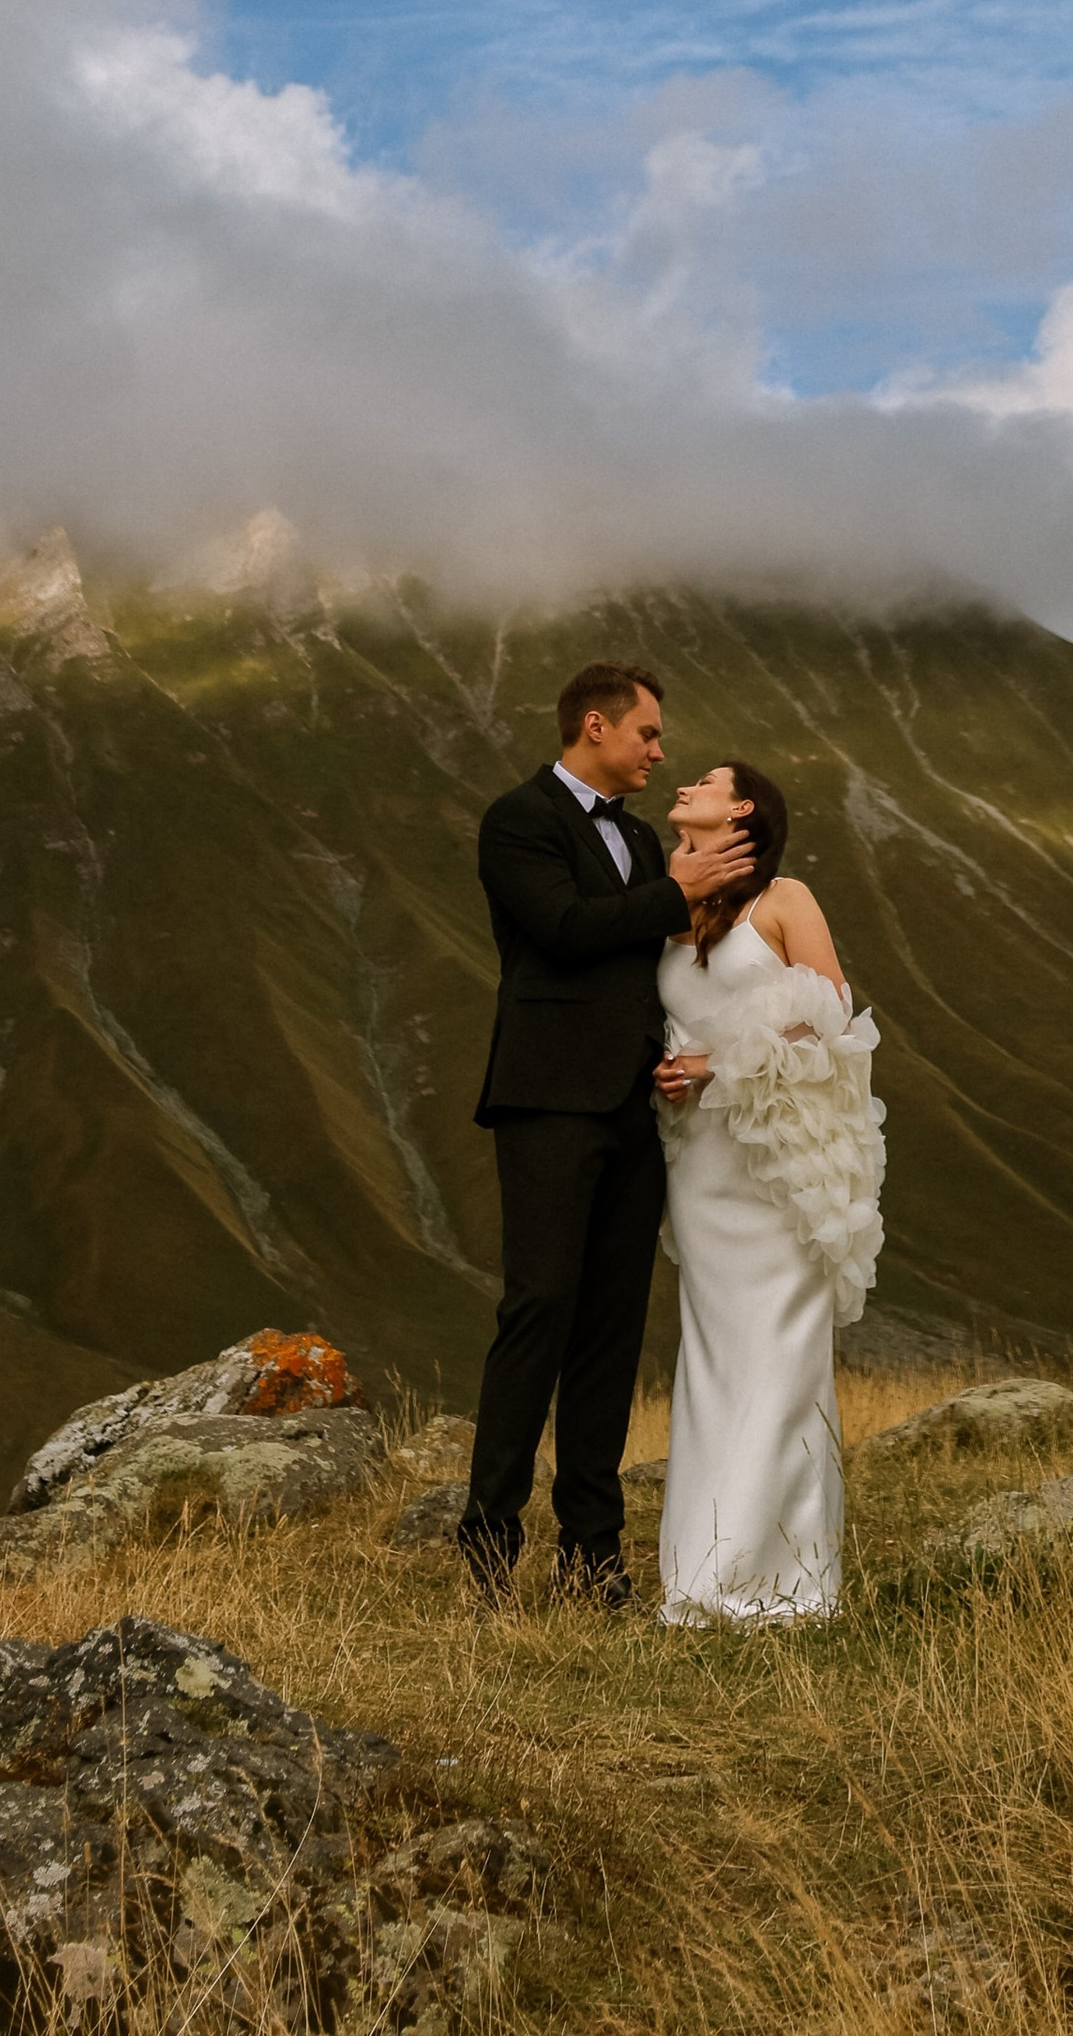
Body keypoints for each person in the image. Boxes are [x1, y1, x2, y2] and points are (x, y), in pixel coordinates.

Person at [458, 662, 747, 1606]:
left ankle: (593, 1555)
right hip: (546, 1100)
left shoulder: (633, 835)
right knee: (539, 1310)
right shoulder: (519, 818)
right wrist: (677, 892)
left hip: (634, 1110)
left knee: (612, 1333)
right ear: (596, 724)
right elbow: (565, 927)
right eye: (649, 735)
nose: (660, 754)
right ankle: (489, 1544)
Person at [652, 759, 885, 1623]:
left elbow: (830, 1019)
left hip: (778, 1166)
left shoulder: (784, 898)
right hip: (701, 1165)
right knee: (711, 1357)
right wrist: (670, 1071)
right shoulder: (668, 907)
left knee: (780, 1352)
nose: (683, 783)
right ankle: (699, 1572)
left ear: (742, 809)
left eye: (705, 780)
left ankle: (777, 1582)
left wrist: (716, 1063)